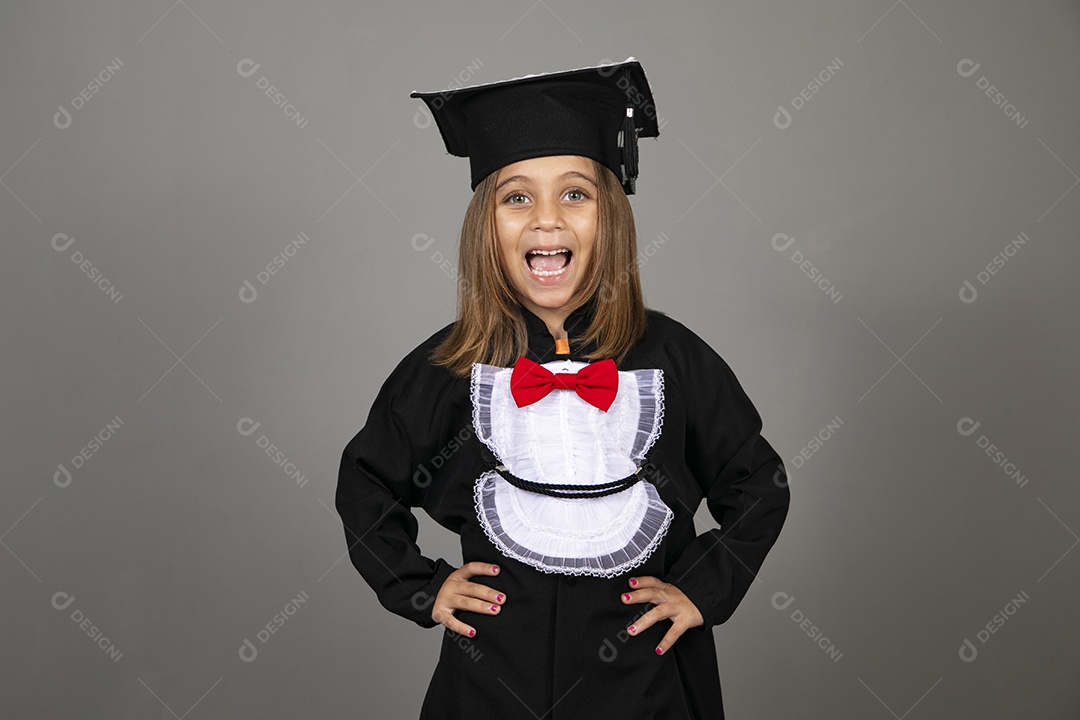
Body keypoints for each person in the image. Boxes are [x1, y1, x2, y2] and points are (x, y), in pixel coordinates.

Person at [335, 57, 790, 720]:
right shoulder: (451, 366)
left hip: (649, 691)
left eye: (574, 194)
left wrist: (700, 590)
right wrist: (419, 587)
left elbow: (758, 486)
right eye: (517, 196)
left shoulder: (674, 359)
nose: (546, 220)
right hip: (489, 689)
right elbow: (366, 480)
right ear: (484, 225)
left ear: (612, 216)